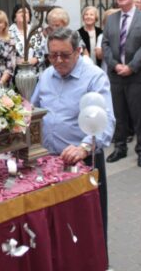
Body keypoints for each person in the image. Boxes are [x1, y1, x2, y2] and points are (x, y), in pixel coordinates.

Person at [31, 27, 115, 249]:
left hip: (82, 161)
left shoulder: (94, 77)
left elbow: (106, 120)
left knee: (88, 226)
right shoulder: (46, 75)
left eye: (64, 55)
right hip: (50, 162)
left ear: (78, 51)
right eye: (53, 55)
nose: (58, 61)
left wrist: (84, 148)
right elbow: (33, 111)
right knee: (56, 225)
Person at [102, 0, 141, 167]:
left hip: (136, 75)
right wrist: (115, 65)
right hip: (116, 75)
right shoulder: (111, 19)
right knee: (118, 114)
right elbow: (106, 45)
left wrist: (131, 67)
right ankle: (120, 148)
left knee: (138, 115)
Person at [8, 4, 45, 69]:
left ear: (29, 17)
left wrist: (35, 60)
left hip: (35, 70)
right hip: (17, 71)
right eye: (20, 12)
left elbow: (42, 50)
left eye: (26, 12)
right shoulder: (8, 33)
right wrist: (17, 61)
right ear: (14, 18)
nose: (23, 14)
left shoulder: (36, 31)